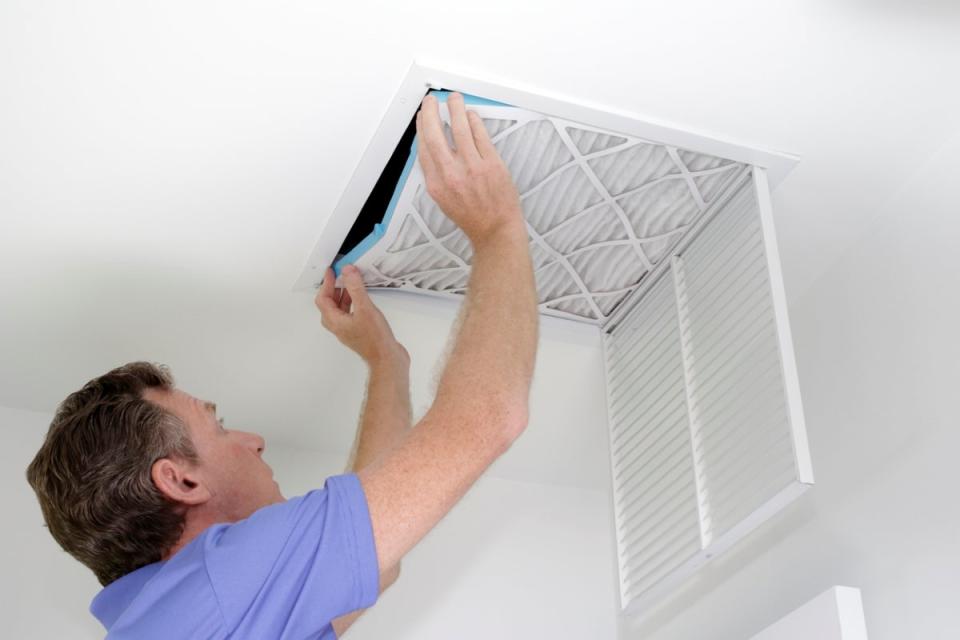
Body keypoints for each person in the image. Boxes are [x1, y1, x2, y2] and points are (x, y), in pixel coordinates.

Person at [25, 92, 539, 638]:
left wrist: (386, 361)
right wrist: (496, 228)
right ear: (179, 479)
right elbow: (488, 417)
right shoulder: (215, 588)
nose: (253, 441)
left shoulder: (188, 613)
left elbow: (375, 564)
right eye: (218, 427)